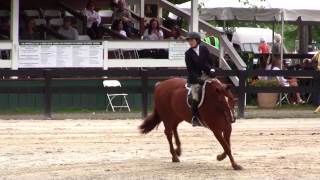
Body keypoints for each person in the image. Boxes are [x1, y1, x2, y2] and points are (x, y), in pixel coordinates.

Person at [185, 32, 215, 126]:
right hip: (195, 78)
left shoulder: (204, 49)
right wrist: (198, 79)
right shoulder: (188, 54)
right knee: (195, 96)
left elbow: (210, 61)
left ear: (197, 40)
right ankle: (194, 117)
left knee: (217, 87)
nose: (190, 42)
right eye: (189, 40)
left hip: (206, 74)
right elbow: (190, 70)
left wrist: (212, 69)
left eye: (192, 40)